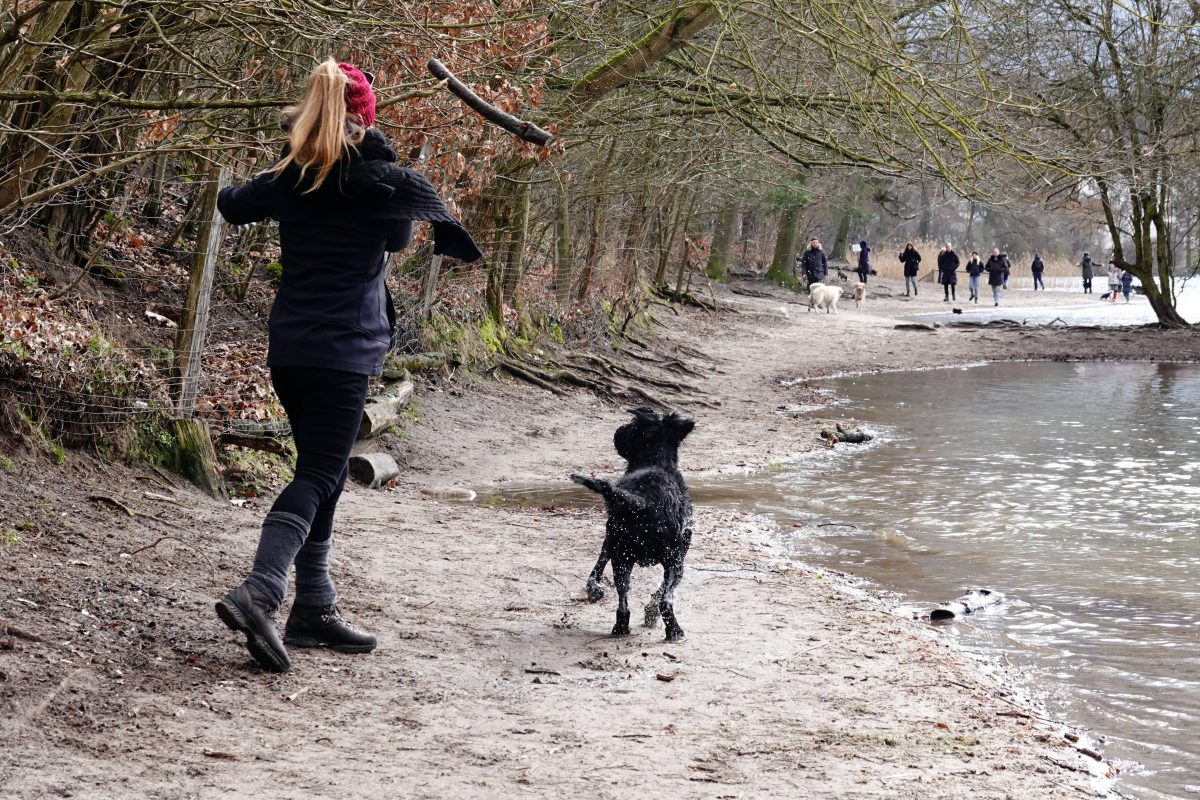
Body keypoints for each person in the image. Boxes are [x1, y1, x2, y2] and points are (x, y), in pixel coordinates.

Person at [212, 60, 481, 673]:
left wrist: (290, 159)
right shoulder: (380, 183)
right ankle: (262, 590)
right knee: (316, 475)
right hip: (343, 353)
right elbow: (397, 241)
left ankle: (315, 608)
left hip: (291, 350)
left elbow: (232, 203)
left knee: (324, 475)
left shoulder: (290, 178)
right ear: (366, 118)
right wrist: (375, 153)